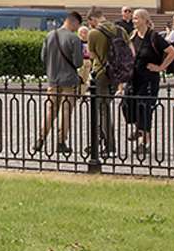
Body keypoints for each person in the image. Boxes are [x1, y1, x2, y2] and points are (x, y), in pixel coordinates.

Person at [33, 11, 84, 155]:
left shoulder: (50, 35)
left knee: (50, 110)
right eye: (78, 25)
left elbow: (43, 57)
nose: (77, 28)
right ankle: (61, 142)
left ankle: (40, 139)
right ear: (74, 22)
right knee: (66, 111)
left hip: (53, 80)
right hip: (68, 81)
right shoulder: (74, 39)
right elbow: (78, 62)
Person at [124, 8, 168, 159]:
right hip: (134, 77)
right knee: (127, 104)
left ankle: (145, 142)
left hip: (149, 78)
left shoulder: (154, 37)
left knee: (145, 109)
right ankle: (139, 129)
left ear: (144, 19)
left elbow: (173, 52)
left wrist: (161, 67)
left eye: (136, 18)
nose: (133, 20)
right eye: (133, 18)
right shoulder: (133, 35)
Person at [81, 9, 126, 156]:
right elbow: (129, 50)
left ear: (93, 19)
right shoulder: (120, 30)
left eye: (90, 22)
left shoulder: (93, 33)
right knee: (103, 109)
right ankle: (98, 141)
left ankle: (110, 145)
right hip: (116, 74)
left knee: (102, 111)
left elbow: (91, 54)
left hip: (101, 74)